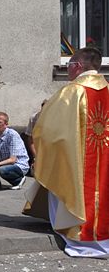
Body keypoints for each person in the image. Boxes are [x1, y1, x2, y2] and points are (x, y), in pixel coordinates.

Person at [29, 47, 109, 258]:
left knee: (70, 187)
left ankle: (79, 235)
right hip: (104, 158)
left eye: (69, 65)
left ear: (78, 66)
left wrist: (47, 151)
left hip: (76, 160)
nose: (67, 70)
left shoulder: (72, 92)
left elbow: (48, 129)